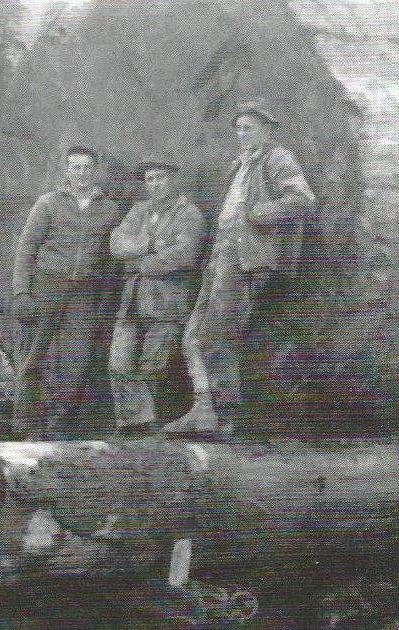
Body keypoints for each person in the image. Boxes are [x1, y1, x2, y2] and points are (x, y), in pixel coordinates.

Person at [163, 99, 314, 437]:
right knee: (194, 335)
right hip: (221, 253)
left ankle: (223, 415)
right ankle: (204, 408)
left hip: (246, 257)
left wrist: (261, 213)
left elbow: (302, 199)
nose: (243, 134)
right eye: (239, 128)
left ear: (267, 130)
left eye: (249, 128)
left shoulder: (277, 158)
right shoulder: (240, 164)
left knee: (218, 334)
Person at [10, 146, 123, 439]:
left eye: (87, 167)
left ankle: (59, 428)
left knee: (78, 359)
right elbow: (26, 248)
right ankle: (27, 428)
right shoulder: (48, 204)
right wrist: (22, 292)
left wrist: (104, 298)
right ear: (66, 170)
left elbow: (112, 258)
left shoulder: (109, 210)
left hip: (83, 294)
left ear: (95, 170)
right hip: (47, 286)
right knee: (34, 356)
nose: (81, 173)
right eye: (75, 167)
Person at [107, 160, 206, 434]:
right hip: (130, 302)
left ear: (173, 179)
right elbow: (116, 244)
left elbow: (185, 254)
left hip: (167, 304)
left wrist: (139, 262)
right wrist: (151, 246)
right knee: (119, 365)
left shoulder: (189, 214)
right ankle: (132, 423)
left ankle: (149, 429)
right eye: (150, 179)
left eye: (160, 178)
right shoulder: (139, 211)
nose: (155, 184)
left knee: (154, 366)